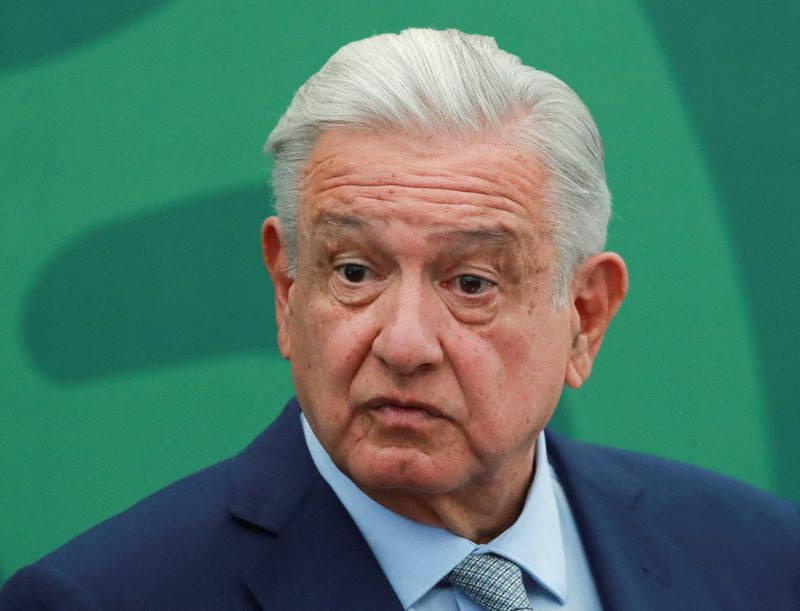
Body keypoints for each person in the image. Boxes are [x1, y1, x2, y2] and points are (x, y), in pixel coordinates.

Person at [1, 28, 798, 611]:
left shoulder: (762, 560)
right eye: (354, 271)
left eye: (472, 282)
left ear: (584, 318)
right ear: (287, 289)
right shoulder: (105, 597)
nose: (405, 342)